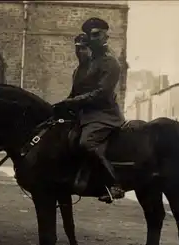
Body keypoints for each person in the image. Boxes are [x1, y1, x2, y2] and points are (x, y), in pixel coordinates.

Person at [53, 17, 126, 203]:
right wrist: (60, 106)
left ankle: (114, 184)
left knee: (87, 143)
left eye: (97, 34)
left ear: (105, 36)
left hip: (104, 115)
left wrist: (73, 102)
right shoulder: (86, 65)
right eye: (90, 35)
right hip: (84, 115)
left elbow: (101, 93)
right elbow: (75, 93)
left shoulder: (111, 63)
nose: (94, 38)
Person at [68, 33, 91, 99]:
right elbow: (73, 94)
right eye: (78, 48)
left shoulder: (97, 69)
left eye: (83, 48)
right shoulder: (76, 72)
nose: (80, 51)